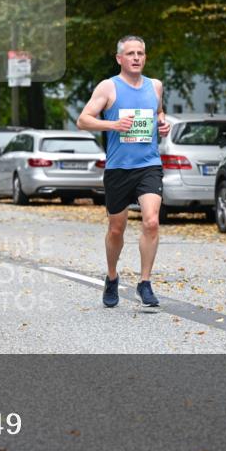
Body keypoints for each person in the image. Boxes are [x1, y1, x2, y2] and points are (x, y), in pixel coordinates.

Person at [77, 35, 171, 308]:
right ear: (120, 58)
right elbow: (83, 120)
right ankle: (112, 276)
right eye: (130, 53)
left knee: (151, 221)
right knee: (117, 228)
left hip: (149, 165)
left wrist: (163, 124)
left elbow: (159, 113)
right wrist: (114, 125)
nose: (136, 57)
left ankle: (144, 283)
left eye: (140, 53)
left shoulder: (155, 86)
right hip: (118, 168)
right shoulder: (108, 87)